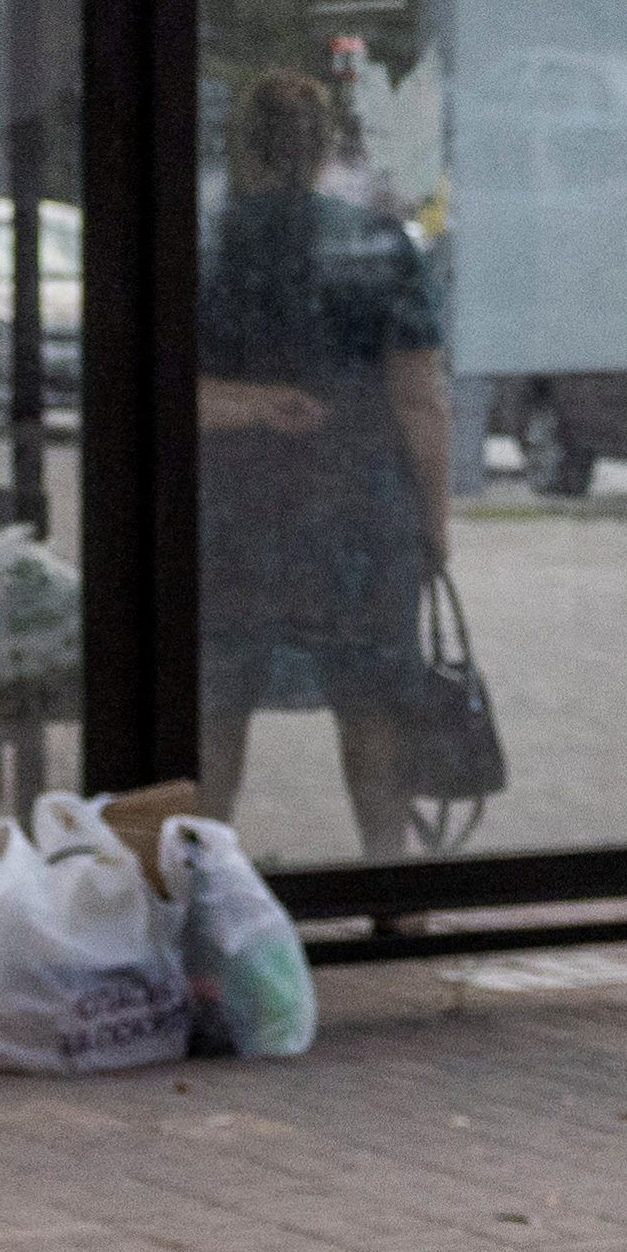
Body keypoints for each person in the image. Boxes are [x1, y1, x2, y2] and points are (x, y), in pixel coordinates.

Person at [191, 70, 449, 859]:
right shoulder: (376, 243)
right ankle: (389, 885)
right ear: (327, 144)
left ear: (245, 145)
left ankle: (195, 883)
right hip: (356, 505)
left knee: (218, 702)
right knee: (369, 698)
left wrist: (250, 407)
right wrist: (432, 525)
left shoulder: (205, 241)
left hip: (232, 503)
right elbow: (419, 400)